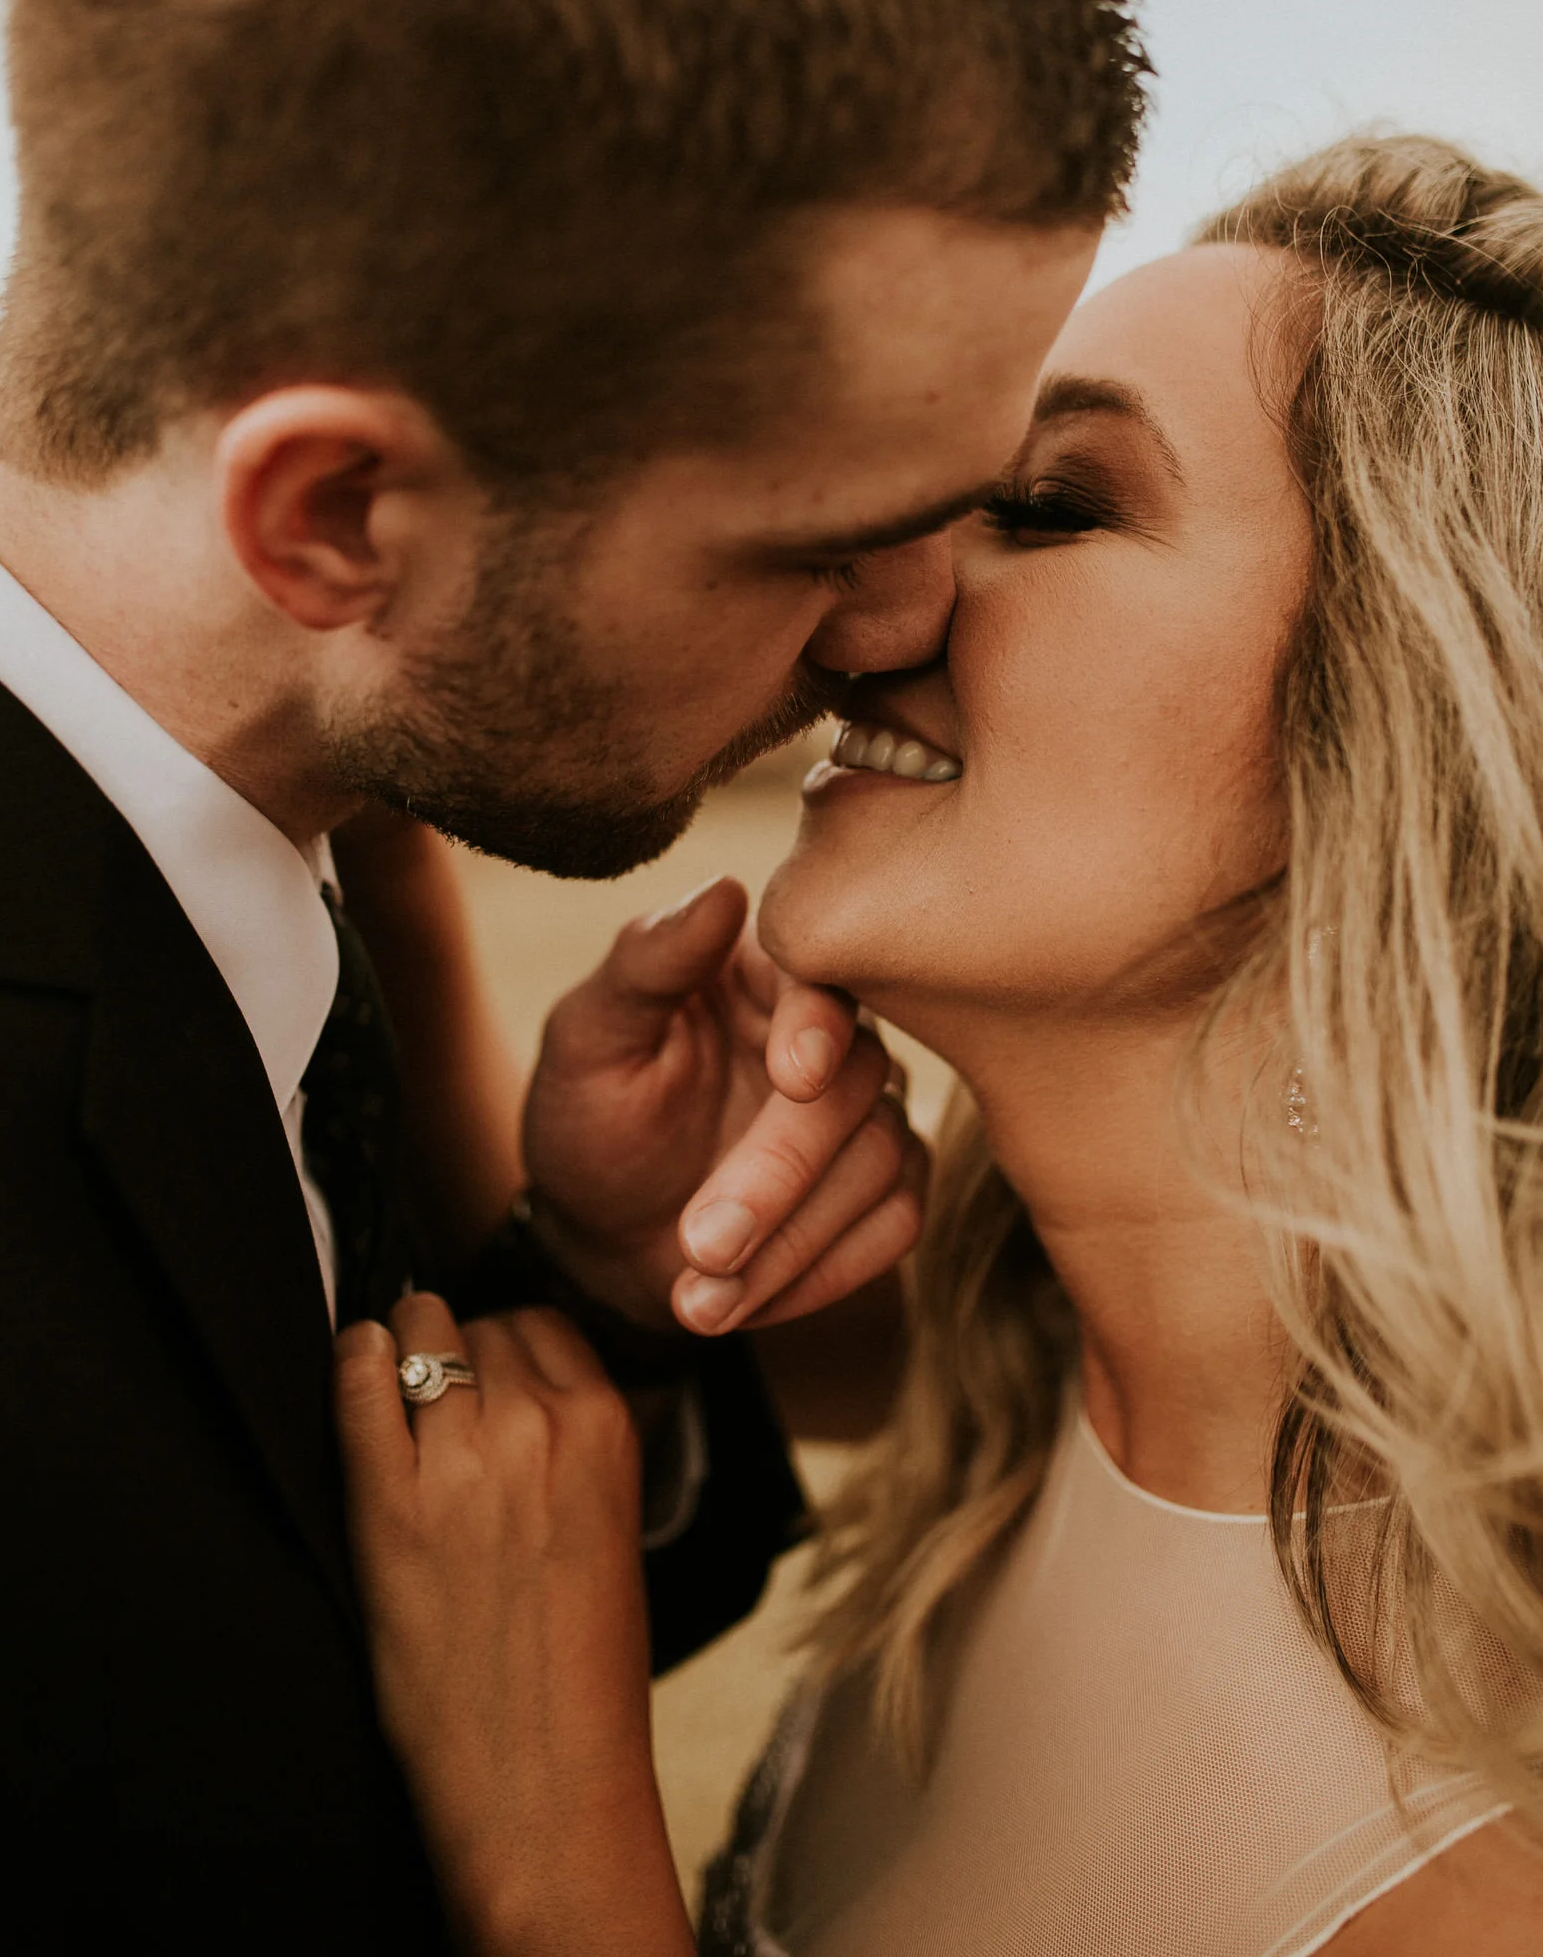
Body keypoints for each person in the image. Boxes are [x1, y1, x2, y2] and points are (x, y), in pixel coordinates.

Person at [0, 0, 1145, 1939]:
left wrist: (590, 1308)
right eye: (819, 541)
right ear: (336, 514)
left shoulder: (247, 845)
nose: (909, 623)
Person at [337, 133, 1543, 1956]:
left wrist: (547, 1841)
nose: (875, 595)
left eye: (1048, 506)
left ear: (1409, 727)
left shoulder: (1488, 1850)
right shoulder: (1010, 1360)